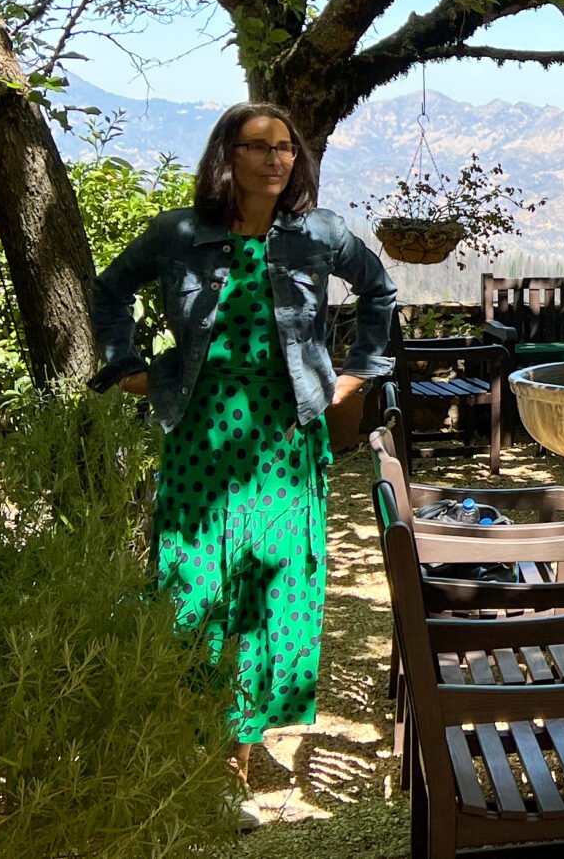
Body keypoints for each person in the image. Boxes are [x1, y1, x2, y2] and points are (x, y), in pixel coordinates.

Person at [89, 102, 396, 785]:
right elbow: (109, 290)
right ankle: (190, 732)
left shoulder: (319, 235)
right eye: (258, 147)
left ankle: (234, 756)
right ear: (225, 156)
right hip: (202, 434)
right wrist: (126, 365)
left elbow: (380, 290)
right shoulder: (178, 234)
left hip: (286, 438)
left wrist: (353, 377)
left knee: (272, 585)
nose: (275, 160)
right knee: (195, 584)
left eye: (286, 147)